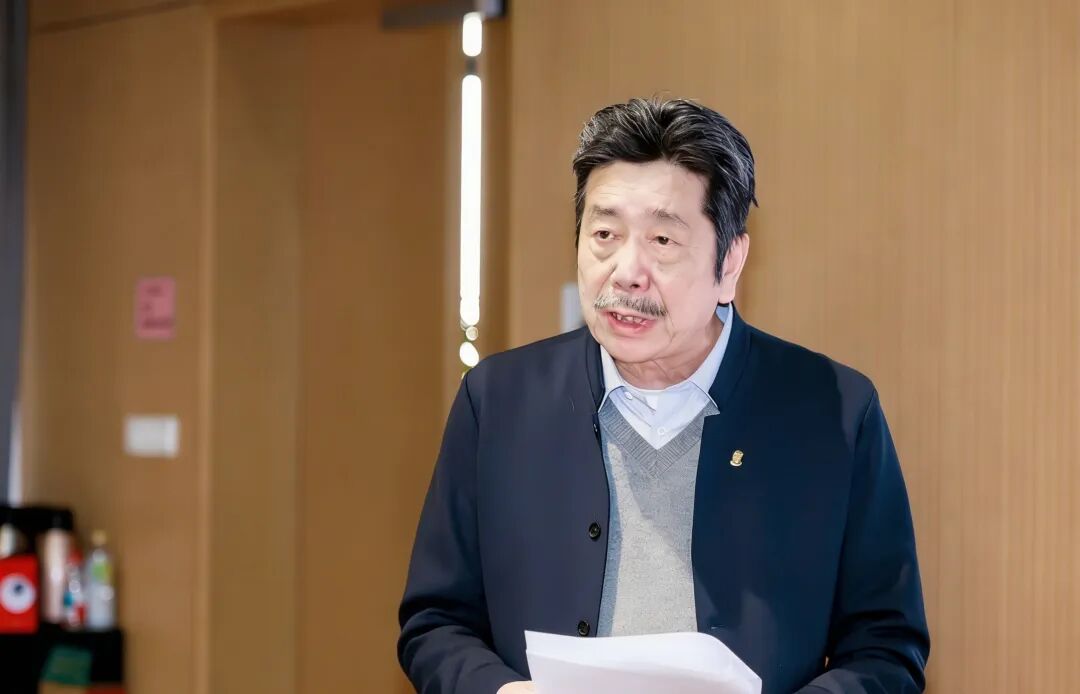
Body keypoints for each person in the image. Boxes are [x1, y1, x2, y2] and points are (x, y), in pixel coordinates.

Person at [398, 97, 929, 694]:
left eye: (663, 241)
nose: (627, 270)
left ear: (730, 262)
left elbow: (886, 646)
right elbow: (435, 621)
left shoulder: (835, 413)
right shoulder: (499, 402)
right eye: (604, 234)